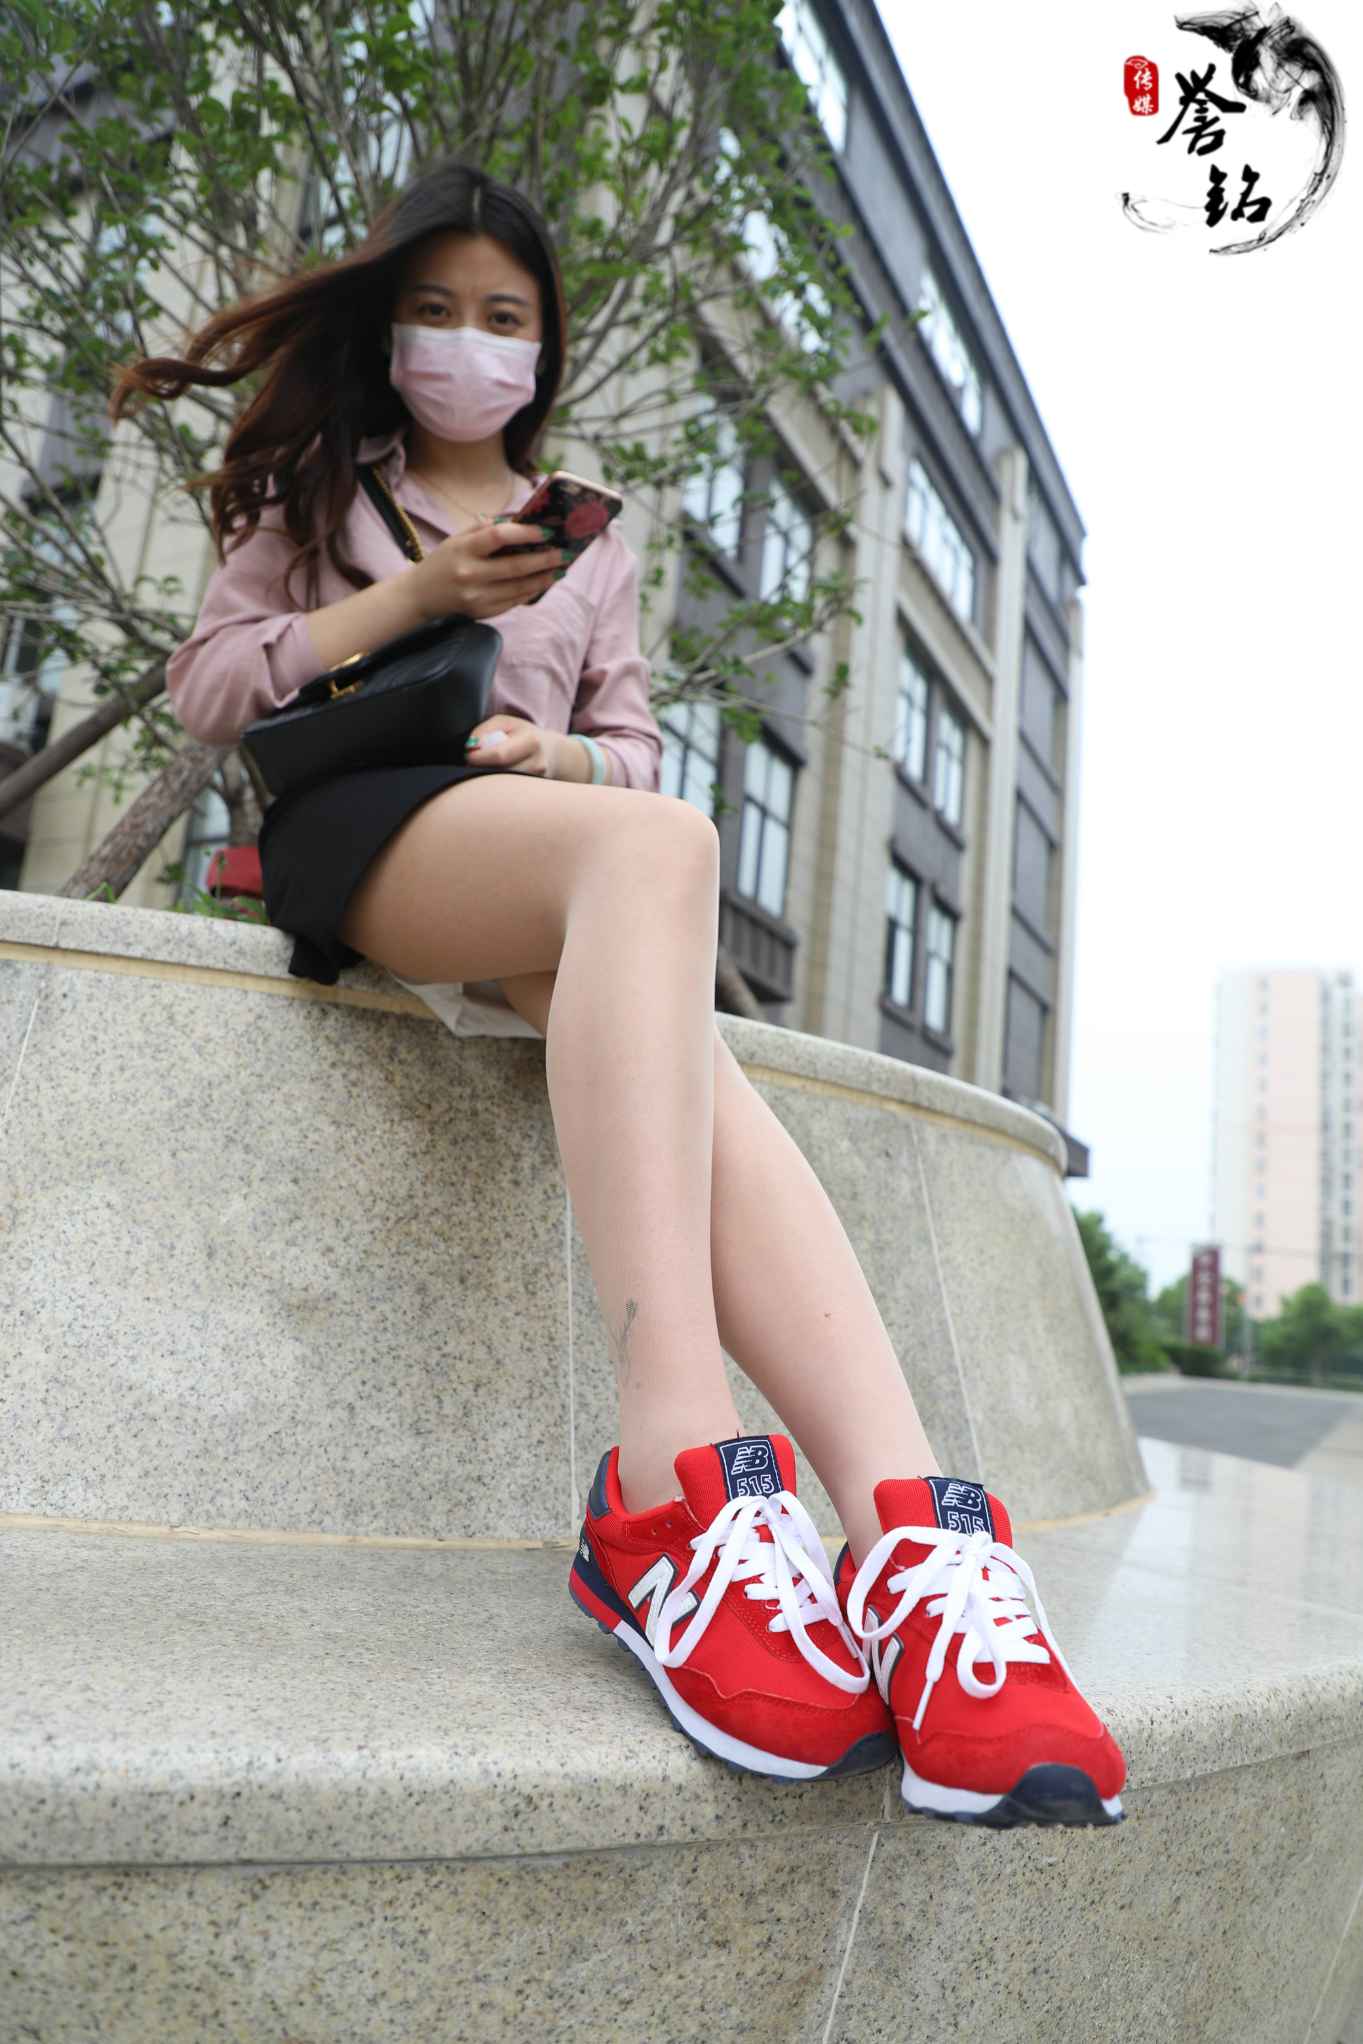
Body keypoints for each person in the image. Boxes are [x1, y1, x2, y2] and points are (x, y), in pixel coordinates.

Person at [114, 157, 1126, 1829]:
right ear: (389, 326)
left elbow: (633, 747)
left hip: (537, 849)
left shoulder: (589, 540)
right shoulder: (321, 482)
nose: (467, 341)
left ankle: (908, 1538)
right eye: (434, 308)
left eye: (502, 315)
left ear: (546, 345)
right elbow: (214, 688)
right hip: (357, 838)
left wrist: (555, 751)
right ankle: (673, 1478)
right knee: (662, 854)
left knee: (664, 931)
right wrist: (414, 599)